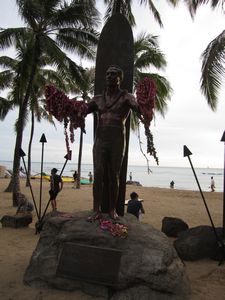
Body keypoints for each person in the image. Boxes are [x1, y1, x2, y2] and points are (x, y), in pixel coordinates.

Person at [87, 65, 144, 220]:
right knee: (98, 174)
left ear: (120, 78)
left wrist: (145, 105)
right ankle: (96, 210)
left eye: (113, 74)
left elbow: (139, 108)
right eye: (107, 74)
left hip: (117, 140)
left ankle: (112, 210)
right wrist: (69, 108)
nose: (109, 76)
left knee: (114, 176)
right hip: (100, 140)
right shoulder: (98, 99)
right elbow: (81, 109)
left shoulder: (127, 97)